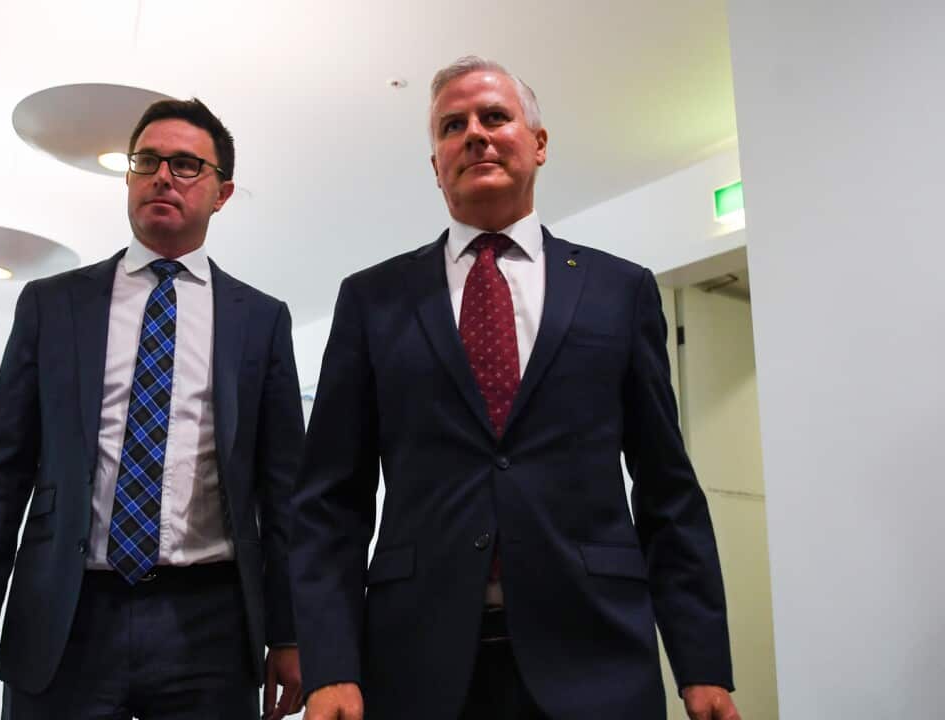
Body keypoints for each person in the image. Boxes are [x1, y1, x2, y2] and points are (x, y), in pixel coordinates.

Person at [289, 56, 741, 720]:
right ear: (436, 164)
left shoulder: (621, 292)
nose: (475, 133)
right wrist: (330, 664)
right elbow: (330, 503)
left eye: (495, 116)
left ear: (538, 142)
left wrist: (702, 662)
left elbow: (668, 488)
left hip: (597, 656)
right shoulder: (372, 301)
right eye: (452, 125)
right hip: (415, 664)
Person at [0, 97, 305, 719]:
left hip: (210, 625)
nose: (163, 176)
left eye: (187, 165)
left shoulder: (261, 321)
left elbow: (284, 492)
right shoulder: (53, 306)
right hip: (65, 613)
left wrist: (291, 632)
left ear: (222, 193)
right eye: (147, 161)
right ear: (129, 179)